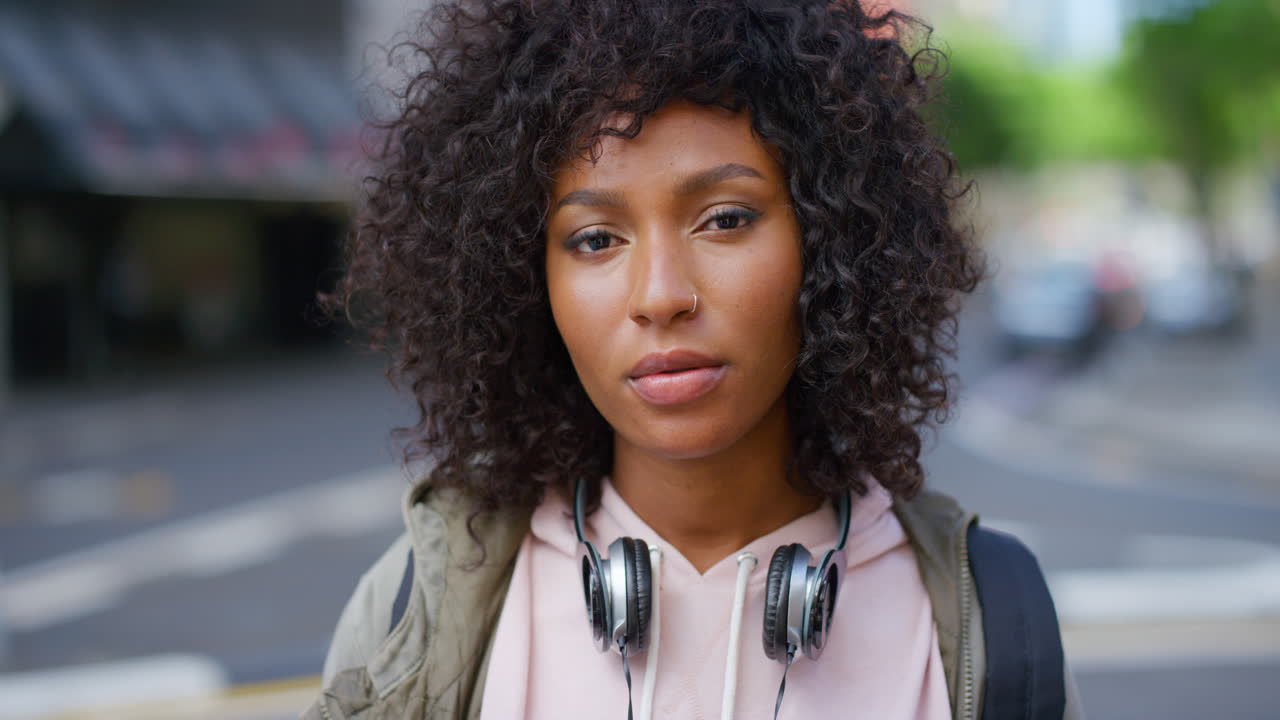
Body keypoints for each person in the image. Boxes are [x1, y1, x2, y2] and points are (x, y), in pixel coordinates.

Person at [306, 0, 1083, 718]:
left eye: (724, 219)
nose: (661, 295)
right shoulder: (417, 613)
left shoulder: (992, 621)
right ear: (522, 279)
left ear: (831, 240)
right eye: (595, 239)